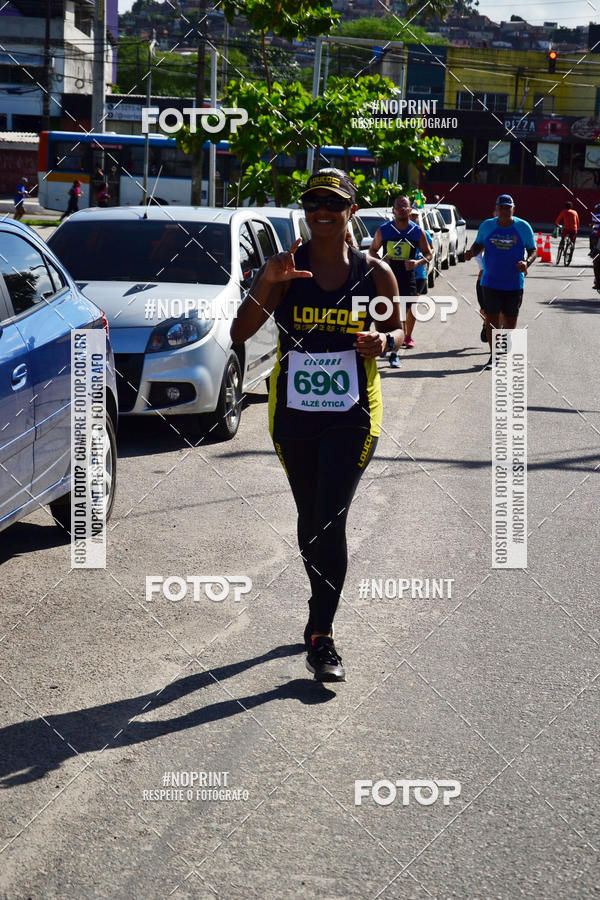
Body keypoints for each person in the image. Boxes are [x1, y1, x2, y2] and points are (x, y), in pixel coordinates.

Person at [231, 168, 402, 682]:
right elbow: (240, 331)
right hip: (293, 416)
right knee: (310, 519)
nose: (321, 211)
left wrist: (383, 343)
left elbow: (398, 333)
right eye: (312, 203)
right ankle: (318, 606)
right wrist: (268, 282)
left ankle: (321, 634)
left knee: (330, 515)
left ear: (351, 210)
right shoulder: (286, 268)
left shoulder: (375, 274)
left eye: (332, 202)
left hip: (354, 416)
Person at [466, 194, 536, 370]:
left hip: (513, 282)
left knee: (510, 322)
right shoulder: (487, 225)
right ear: (496, 209)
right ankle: (494, 356)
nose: (505, 211)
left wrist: (526, 263)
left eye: (508, 207)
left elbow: (533, 250)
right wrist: (471, 252)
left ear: (513, 209)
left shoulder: (523, 227)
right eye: (501, 207)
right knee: (492, 319)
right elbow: (478, 244)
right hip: (490, 281)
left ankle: (504, 341)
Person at [368, 195, 432, 365]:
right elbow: (372, 251)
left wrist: (417, 262)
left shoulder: (417, 231)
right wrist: (382, 260)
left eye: (406, 207)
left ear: (410, 210)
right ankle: (386, 343)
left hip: (407, 277)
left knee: (403, 314)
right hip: (387, 276)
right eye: (399, 207)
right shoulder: (384, 229)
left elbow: (429, 254)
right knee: (384, 312)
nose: (403, 209)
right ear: (393, 210)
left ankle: (395, 352)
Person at [407, 207, 434, 348]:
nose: (413, 218)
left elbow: (431, 250)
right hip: (402, 273)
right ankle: (399, 333)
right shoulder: (400, 232)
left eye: (415, 216)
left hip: (419, 274)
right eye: (411, 215)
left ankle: (408, 336)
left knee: (411, 305)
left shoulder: (422, 233)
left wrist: (420, 260)